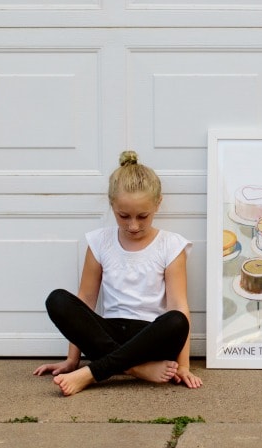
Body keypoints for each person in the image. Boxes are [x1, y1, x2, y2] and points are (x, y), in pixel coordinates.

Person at [33, 150, 203, 396]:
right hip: (106, 335)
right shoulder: (99, 242)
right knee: (57, 300)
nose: (133, 225)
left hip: (150, 339)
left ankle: (93, 373)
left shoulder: (171, 245)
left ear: (158, 203)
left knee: (176, 320)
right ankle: (137, 369)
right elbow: (86, 301)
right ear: (112, 204)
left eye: (142, 216)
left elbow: (179, 305)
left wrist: (184, 366)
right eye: (123, 216)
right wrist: (72, 360)